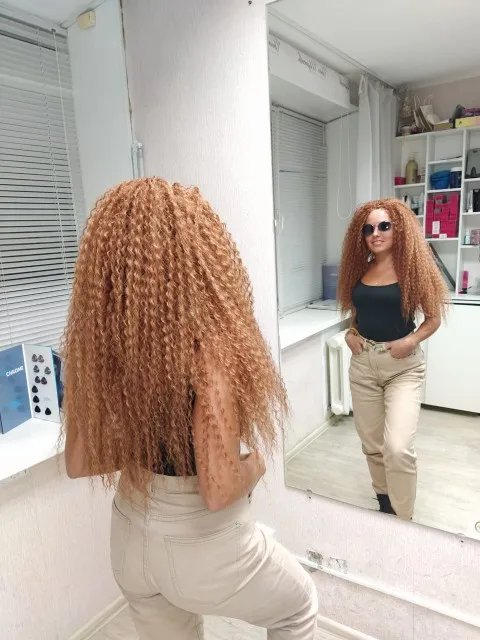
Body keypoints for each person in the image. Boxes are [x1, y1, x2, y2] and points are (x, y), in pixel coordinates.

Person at [63, 178, 318, 640]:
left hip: (128, 539)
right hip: (199, 544)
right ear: (196, 257)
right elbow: (218, 490)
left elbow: (79, 462)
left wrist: (144, 446)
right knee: (297, 607)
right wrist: (255, 465)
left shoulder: (94, 350)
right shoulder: (208, 351)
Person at [337, 198, 447, 521]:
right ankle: (384, 503)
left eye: (384, 226)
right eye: (368, 229)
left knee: (397, 448)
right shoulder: (360, 270)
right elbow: (359, 313)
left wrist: (410, 341)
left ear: (398, 228)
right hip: (364, 365)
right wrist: (350, 333)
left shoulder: (413, 269)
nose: (376, 233)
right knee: (372, 445)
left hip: (402, 367)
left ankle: (403, 519)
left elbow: (433, 318)